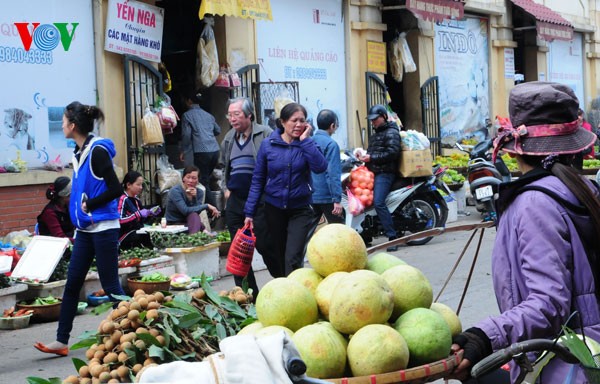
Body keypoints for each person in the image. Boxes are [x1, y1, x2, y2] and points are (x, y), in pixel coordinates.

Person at [449, 82, 600, 383]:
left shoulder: (534, 203)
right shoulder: (586, 189)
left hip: (567, 363)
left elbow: (548, 305)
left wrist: (485, 336)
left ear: (516, 150)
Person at [35, 101, 126, 356]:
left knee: (111, 287)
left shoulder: (97, 152)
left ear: (73, 126)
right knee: (73, 283)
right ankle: (61, 341)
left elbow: (116, 189)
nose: (61, 125)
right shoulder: (78, 152)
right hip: (85, 231)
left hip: (104, 228)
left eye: (63, 121)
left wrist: (89, 204)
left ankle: (137, 329)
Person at [244, 103, 327, 277]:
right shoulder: (268, 145)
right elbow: (258, 179)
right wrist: (249, 212)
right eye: (293, 120)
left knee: (293, 257)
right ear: (282, 122)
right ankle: (283, 288)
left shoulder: (307, 144)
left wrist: (305, 140)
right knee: (277, 255)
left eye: (302, 121)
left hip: (301, 209)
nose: (298, 125)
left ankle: (295, 293)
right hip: (274, 209)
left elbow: (320, 166)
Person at [220, 97, 273, 294]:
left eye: (236, 114)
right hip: (235, 201)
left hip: (259, 199)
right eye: (230, 115)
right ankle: (247, 294)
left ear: (249, 115)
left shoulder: (265, 133)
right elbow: (224, 165)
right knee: (238, 251)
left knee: (265, 245)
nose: (232, 119)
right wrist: (226, 187)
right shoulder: (228, 138)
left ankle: (283, 282)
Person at [357, 104, 401, 252]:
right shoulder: (376, 134)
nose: (373, 122)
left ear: (383, 116)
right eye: (371, 120)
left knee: (378, 202)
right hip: (374, 172)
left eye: (375, 119)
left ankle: (392, 237)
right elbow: (372, 154)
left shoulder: (392, 132)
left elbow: (392, 153)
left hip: (385, 173)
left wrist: (372, 157)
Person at [179, 88, 221, 193]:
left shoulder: (187, 115)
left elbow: (186, 135)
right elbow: (218, 130)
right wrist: (207, 133)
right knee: (206, 178)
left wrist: (184, 150)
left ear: (189, 101)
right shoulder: (208, 115)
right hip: (215, 151)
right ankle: (209, 205)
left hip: (202, 152)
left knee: (203, 181)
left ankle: (210, 207)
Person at [165, 165, 220, 234]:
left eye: (194, 178)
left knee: (194, 215)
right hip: (174, 224)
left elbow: (196, 212)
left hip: (189, 223)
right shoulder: (175, 191)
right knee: (199, 224)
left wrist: (194, 198)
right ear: (183, 178)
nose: (190, 181)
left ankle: (195, 236)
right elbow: (185, 211)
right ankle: (197, 236)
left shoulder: (199, 192)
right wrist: (207, 206)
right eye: (188, 177)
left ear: (198, 180)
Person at [310, 109, 343, 224]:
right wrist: (337, 199)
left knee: (310, 230)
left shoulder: (308, 141)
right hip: (326, 196)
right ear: (332, 125)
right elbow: (332, 173)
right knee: (339, 230)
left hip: (311, 195)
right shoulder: (331, 145)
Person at [118, 171, 161, 250]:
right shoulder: (122, 199)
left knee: (155, 236)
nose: (141, 187)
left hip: (137, 232)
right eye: (138, 184)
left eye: (141, 184)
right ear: (128, 185)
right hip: (125, 236)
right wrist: (138, 214)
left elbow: (141, 218)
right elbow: (119, 220)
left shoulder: (136, 200)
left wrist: (150, 213)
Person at [37, 176, 75, 243]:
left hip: (68, 241)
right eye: (72, 194)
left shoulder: (67, 206)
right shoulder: (49, 212)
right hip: (54, 245)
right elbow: (59, 237)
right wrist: (80, 241)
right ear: (64, 196)